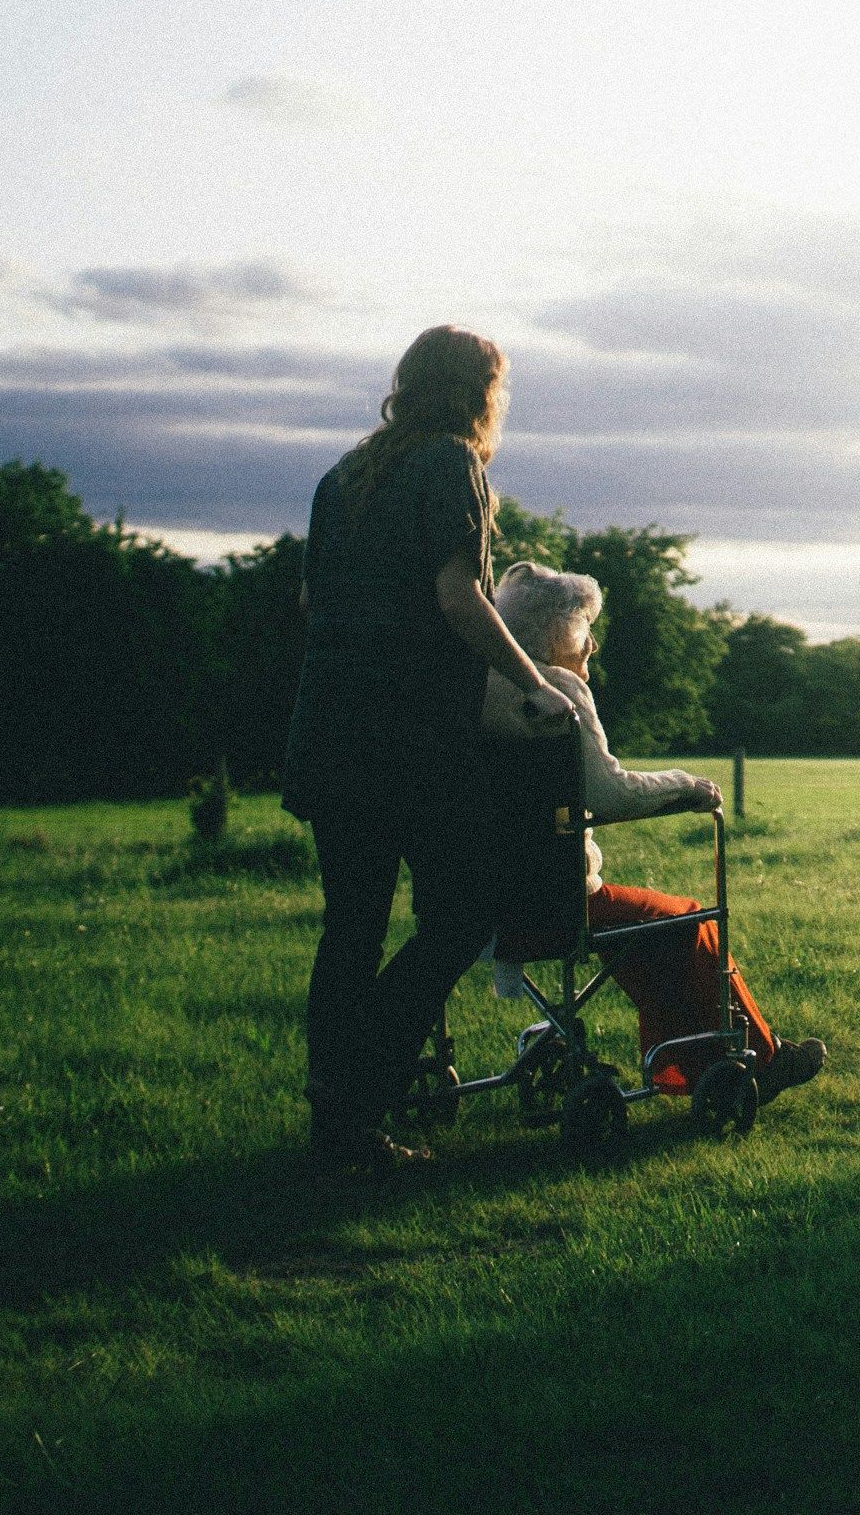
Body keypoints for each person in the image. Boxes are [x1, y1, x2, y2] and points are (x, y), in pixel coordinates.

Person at [282, 325, 576, 1169]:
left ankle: (335, 1122)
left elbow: (313, 599)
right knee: (460, 915)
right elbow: (460, 597)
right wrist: (534, 682)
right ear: (481, 391)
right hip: (406, 742)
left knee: (353, 929)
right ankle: (356, 1091)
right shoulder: (452, 466)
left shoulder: (343, 477)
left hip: (328, 732)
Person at [479, 561, 826, 1104]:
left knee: (646, 931)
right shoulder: (557, 693)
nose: (592, 643)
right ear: (552, 634)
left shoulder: (483, 692)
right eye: (583, 628)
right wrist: (684, 784)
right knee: (688, 920)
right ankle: (759, 1058)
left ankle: (688, 1068)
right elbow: (610, 794)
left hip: (488, 902)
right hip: (557, 902)